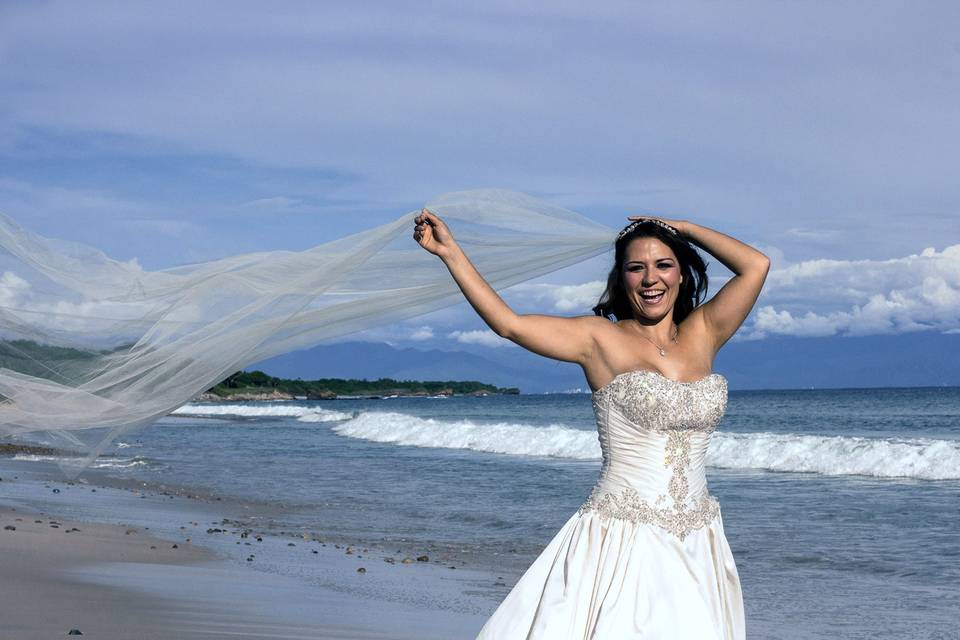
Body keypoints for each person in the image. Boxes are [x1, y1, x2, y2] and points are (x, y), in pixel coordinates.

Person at [413, 206, 769, 640]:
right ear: (621, 278)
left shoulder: (705, 332)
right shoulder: (597, 339)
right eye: (636, 268)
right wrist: (451, 254)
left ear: (681, 273)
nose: (651, 279)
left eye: (663, 265)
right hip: (624, 538)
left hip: (699, 538)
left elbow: (755, 265)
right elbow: (510, 325)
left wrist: (685, 228)